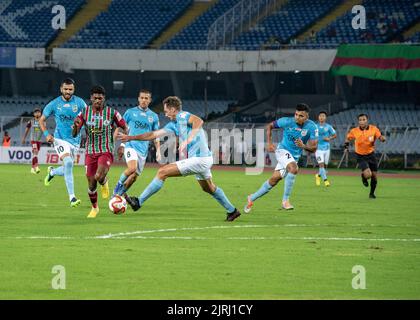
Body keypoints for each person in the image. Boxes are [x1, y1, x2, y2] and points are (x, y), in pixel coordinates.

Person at [118, 96, 241, 222]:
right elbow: (152, 135)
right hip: (202, 159)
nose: (165, 114)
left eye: (166, 111)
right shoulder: (173, 125)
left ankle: (138, 201)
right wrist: (131, 137)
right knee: (208, 188)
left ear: (172, 109)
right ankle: (232, 211)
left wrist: (188, 140)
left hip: (200, 158)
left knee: (162, 172)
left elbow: (198, 121)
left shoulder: (182, 116)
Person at [244, 103, 318, 212]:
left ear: (307, 117)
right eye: (296, 114)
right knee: (294, 168)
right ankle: (285, 201)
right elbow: (269, 126)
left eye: (301, 116)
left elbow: (314, 148)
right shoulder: (287, 121)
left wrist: (303, 146)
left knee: (274, 180)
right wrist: (269, 143)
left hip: (294, 157)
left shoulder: (312, 127)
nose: (297, 117)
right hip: (282, 151)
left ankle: (252, 197)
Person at [72, 85, 128, 218]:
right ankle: (95, 208)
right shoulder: (84, 113)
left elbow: (126, 128)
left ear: (104, 98)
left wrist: (123, 145)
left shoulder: (112, 113)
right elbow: (74, 134)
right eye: (95, 98)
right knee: (91, 184)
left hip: (106, 149)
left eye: (100, 98)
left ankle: (103, 181)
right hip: (90, 151)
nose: (97, 100)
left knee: (98, 176)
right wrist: (75, 126)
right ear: (91, 98)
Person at [39, 78, 87, 207]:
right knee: (68, 162)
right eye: (65, 89)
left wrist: (84, 130)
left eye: (70, 89)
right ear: (61, 89)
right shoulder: (54, 104)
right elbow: (41, 120)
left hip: (75, 141)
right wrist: (46, 134)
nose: (68, 91)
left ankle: (52, 172)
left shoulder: (80, 103)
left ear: (73, 89)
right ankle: (72, 198)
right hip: (59, 139)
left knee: (67, 167)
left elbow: (88, 118)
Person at [112, 89, 161, 197]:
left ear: (150, 100)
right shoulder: (130, 112)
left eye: (146, 98)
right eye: (142, 98)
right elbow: (121, 127)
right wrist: (120, 144)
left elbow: (155, 135)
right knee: (132, 168)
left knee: (133, 177)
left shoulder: (154, 116)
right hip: (131, 146)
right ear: (138, 99)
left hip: (143, 151)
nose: (144, 100)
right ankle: (117, 187)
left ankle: (117, 197)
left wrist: (158, 150)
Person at [344, 114, 386, 199]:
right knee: (368, 175)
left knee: (374, 176)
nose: (362, 121)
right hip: (360, 156)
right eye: (360, 120)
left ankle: (372, 194)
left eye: (364, 119)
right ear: (358, 121)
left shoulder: (373, 129)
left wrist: (382, 138)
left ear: (367, 120)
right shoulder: (354, 131)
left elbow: (379, 136)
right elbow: (348, 138)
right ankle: (363, 177)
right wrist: (346, 147)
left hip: (371, 155)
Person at [314, 111, 337, 187]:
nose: (321, 117)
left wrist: (329, 138)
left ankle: (318, 176)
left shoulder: (329, 126)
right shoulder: (315, 127)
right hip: (318, 149)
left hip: (327, 148)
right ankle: (326, 180)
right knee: (321, 165)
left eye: (323, 116)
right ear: (318, 117)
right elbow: (311, 136)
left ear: (325, 117)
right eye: (320, 116)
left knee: (325, 166)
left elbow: (334, 135)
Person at [21, 107, 43, 174]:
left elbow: (44, 130)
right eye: (36, 112)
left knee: (35, 154)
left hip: (39, 140)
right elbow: (27, 130)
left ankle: (32, 168)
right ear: (33, 114)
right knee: (35, 151)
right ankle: (36, 166)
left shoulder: (43, 121)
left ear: (40, 113)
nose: (37, 113)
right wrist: (24, 138)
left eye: (38, 112)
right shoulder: (31, 121)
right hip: (33, 139)